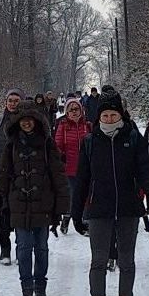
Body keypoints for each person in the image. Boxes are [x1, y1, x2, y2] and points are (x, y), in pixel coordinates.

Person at [70, 90, 149, 296]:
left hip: (128, 207)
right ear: (98, 117)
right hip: (99, 208)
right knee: (98, 260)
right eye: (105, 115)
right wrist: (76, 212)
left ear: (121, 115)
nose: (109, 118)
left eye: (113, 115)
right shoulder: (90, 141)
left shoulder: (133, 138)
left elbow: (145, 170)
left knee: (126, 260)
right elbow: (82, 180)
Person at [0, 100, 69, 296]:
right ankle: (26, 287)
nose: (26, 123)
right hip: (19, 203)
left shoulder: (47, 144)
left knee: (41, 247)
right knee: (23, 247)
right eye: (22, 120)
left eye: (30, 120)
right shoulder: (11, 145)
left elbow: (58, 175)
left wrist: (62, 205)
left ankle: (40, 285)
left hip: (43, 203)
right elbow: (4, 175)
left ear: (36, 121)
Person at [0, 88, 23, 264]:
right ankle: (5, 249)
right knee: (1, 212)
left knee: (19, 212)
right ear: (5, 102)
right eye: (10, 100)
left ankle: (21, 247)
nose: (13, 104)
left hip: (21, 175)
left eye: (16, 100)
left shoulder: (27, 122)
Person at [53, 96, 90, 233]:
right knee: (72, 195)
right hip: (69, 168)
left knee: (86, 194)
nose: (74, 112)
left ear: (81, 110)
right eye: (71, 110)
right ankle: (67, 218)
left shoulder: (87, 125)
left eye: (76, 109)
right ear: (67, 112)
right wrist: (60, 157)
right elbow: (57, 146)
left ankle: (85, 221)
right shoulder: (63, 126)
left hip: (85, 168)